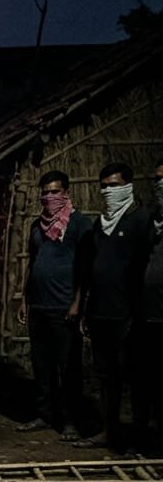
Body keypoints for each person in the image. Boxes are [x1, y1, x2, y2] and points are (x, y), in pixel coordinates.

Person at [75, 162, 153, 450]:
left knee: (136, 376)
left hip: (128, 314)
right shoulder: (101, 225)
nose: (108, 191)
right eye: (104, 186)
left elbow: (146, 268)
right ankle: (109, 431)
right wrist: (85, 309)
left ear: (128, 186)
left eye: (115, 185)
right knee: (106, 376)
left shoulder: (141, 220)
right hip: (100, 311)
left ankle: (140, 435)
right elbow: (89, 270)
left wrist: (137, 311)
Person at [15, 170, 91, 441]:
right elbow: (32, 262)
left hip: (64, 308)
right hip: (39, 306)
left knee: (68, 367)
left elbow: (85, 268)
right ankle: (45, 414)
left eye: (55, 191)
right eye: (45, 192)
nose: (50, 197)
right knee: (41, 364)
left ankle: (70, 421)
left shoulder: (79, 224)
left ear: (66, 192)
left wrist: (77, 304)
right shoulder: (37, 226)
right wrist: (25, 299)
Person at [129, 159, 163, 452]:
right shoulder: (150, 222)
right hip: (145, 316)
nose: (160, 185)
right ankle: (142, 438)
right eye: (157, 179)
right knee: (143, 381)